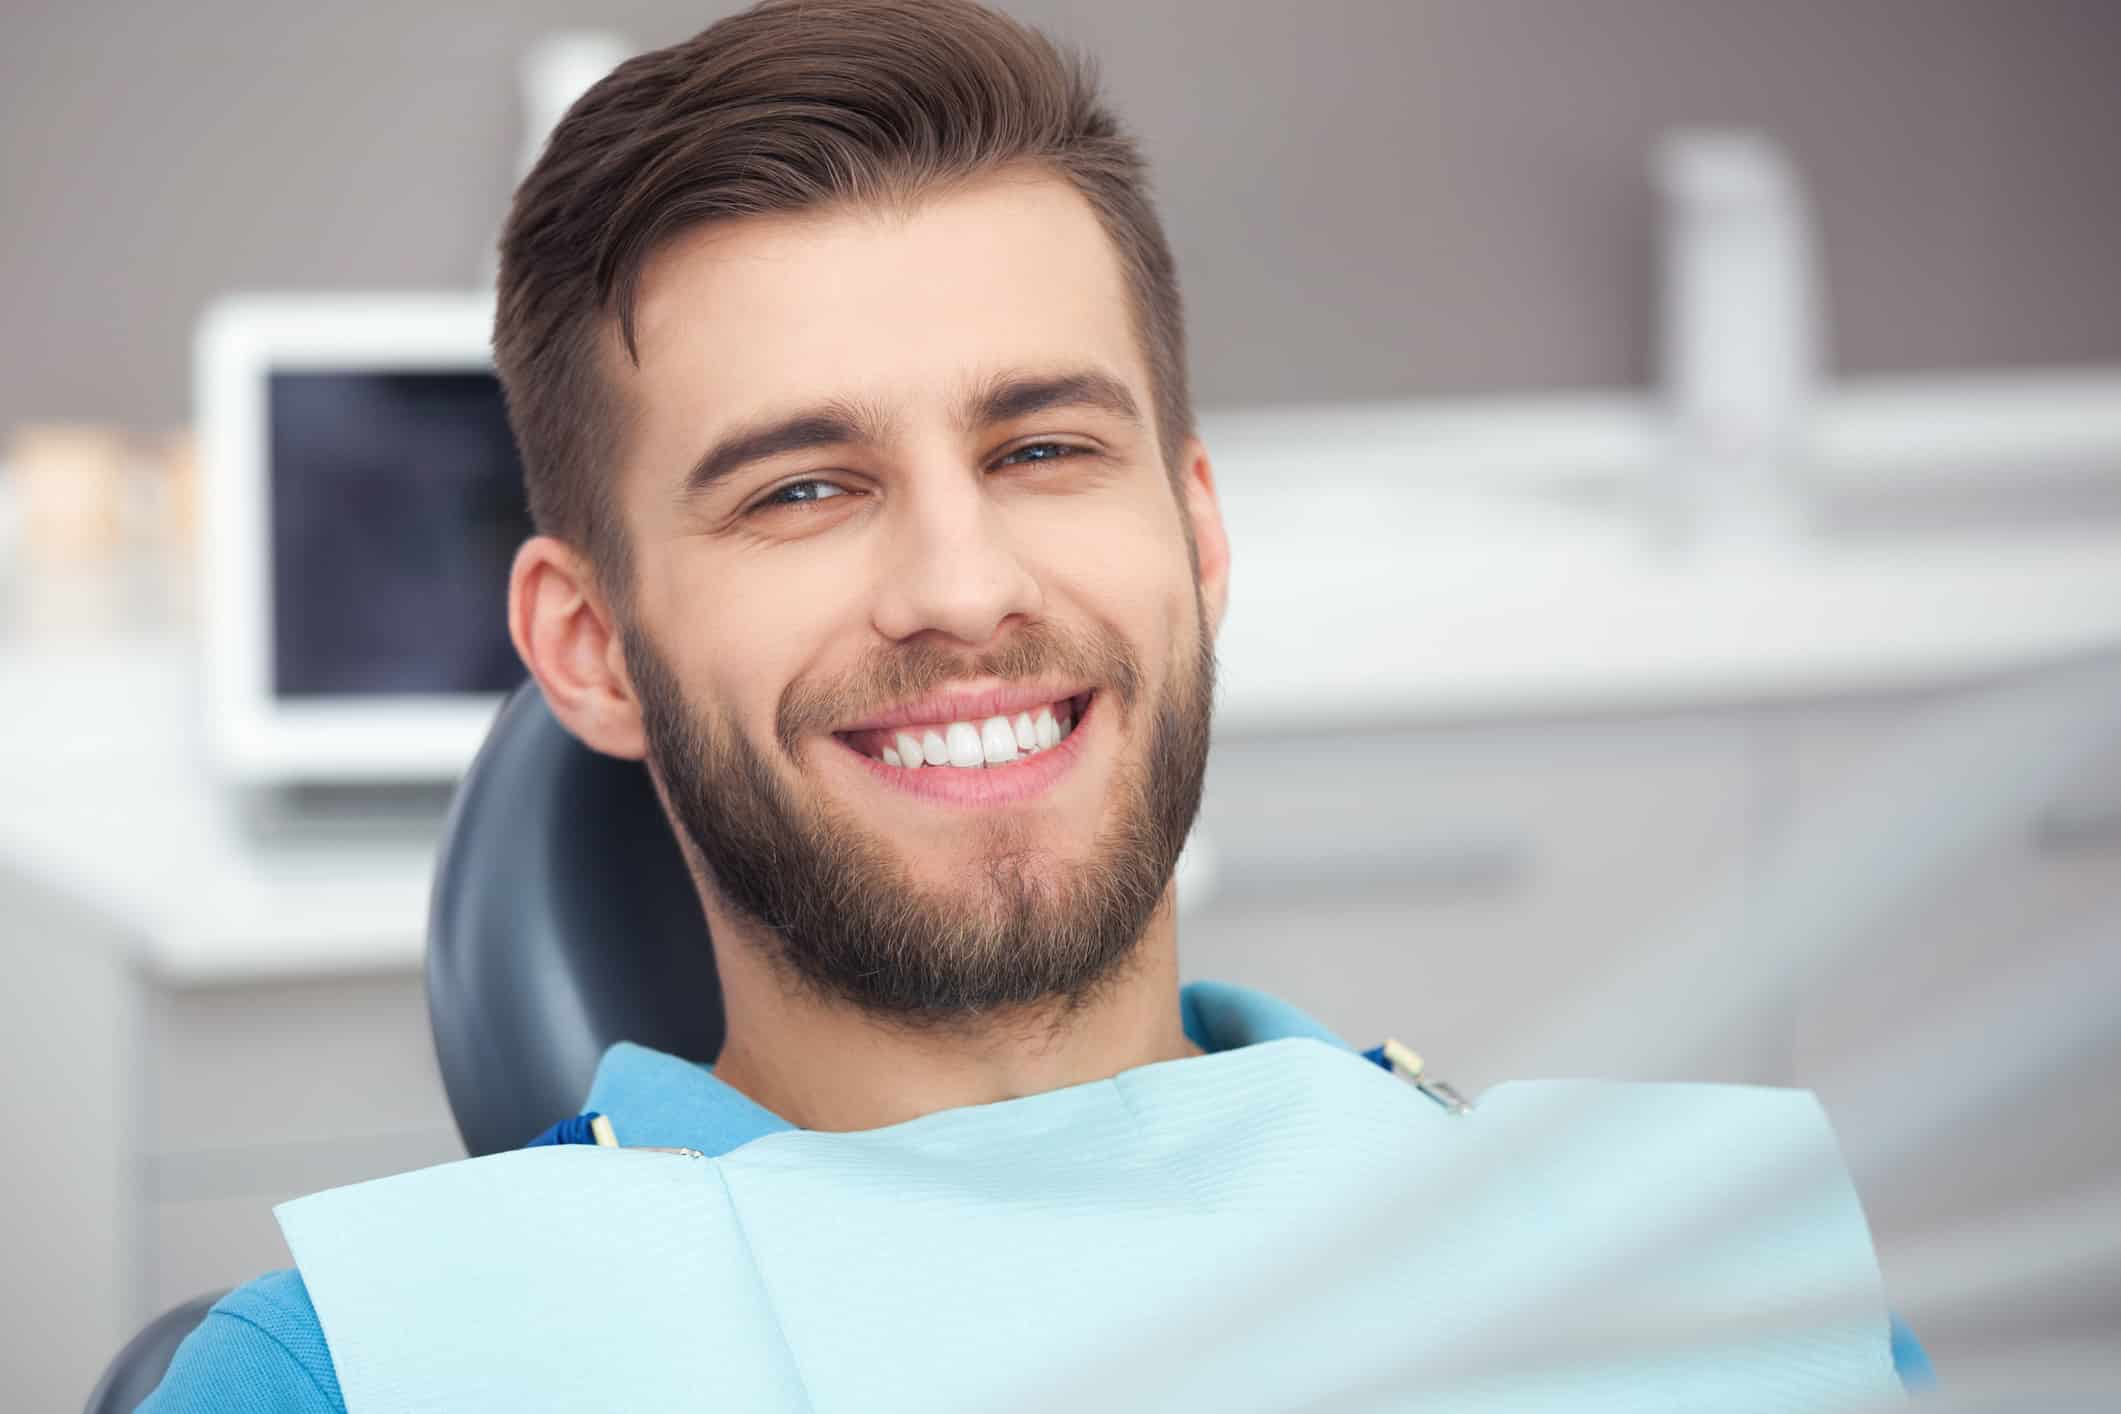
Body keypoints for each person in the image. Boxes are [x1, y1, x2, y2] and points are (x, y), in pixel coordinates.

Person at [142, 2, 1928, 1408]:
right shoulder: (365, 1374)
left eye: (1044, 447)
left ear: (1197, 525)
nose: (960, 585)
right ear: (589, 646)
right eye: (801, 488)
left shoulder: (1699, 1282)